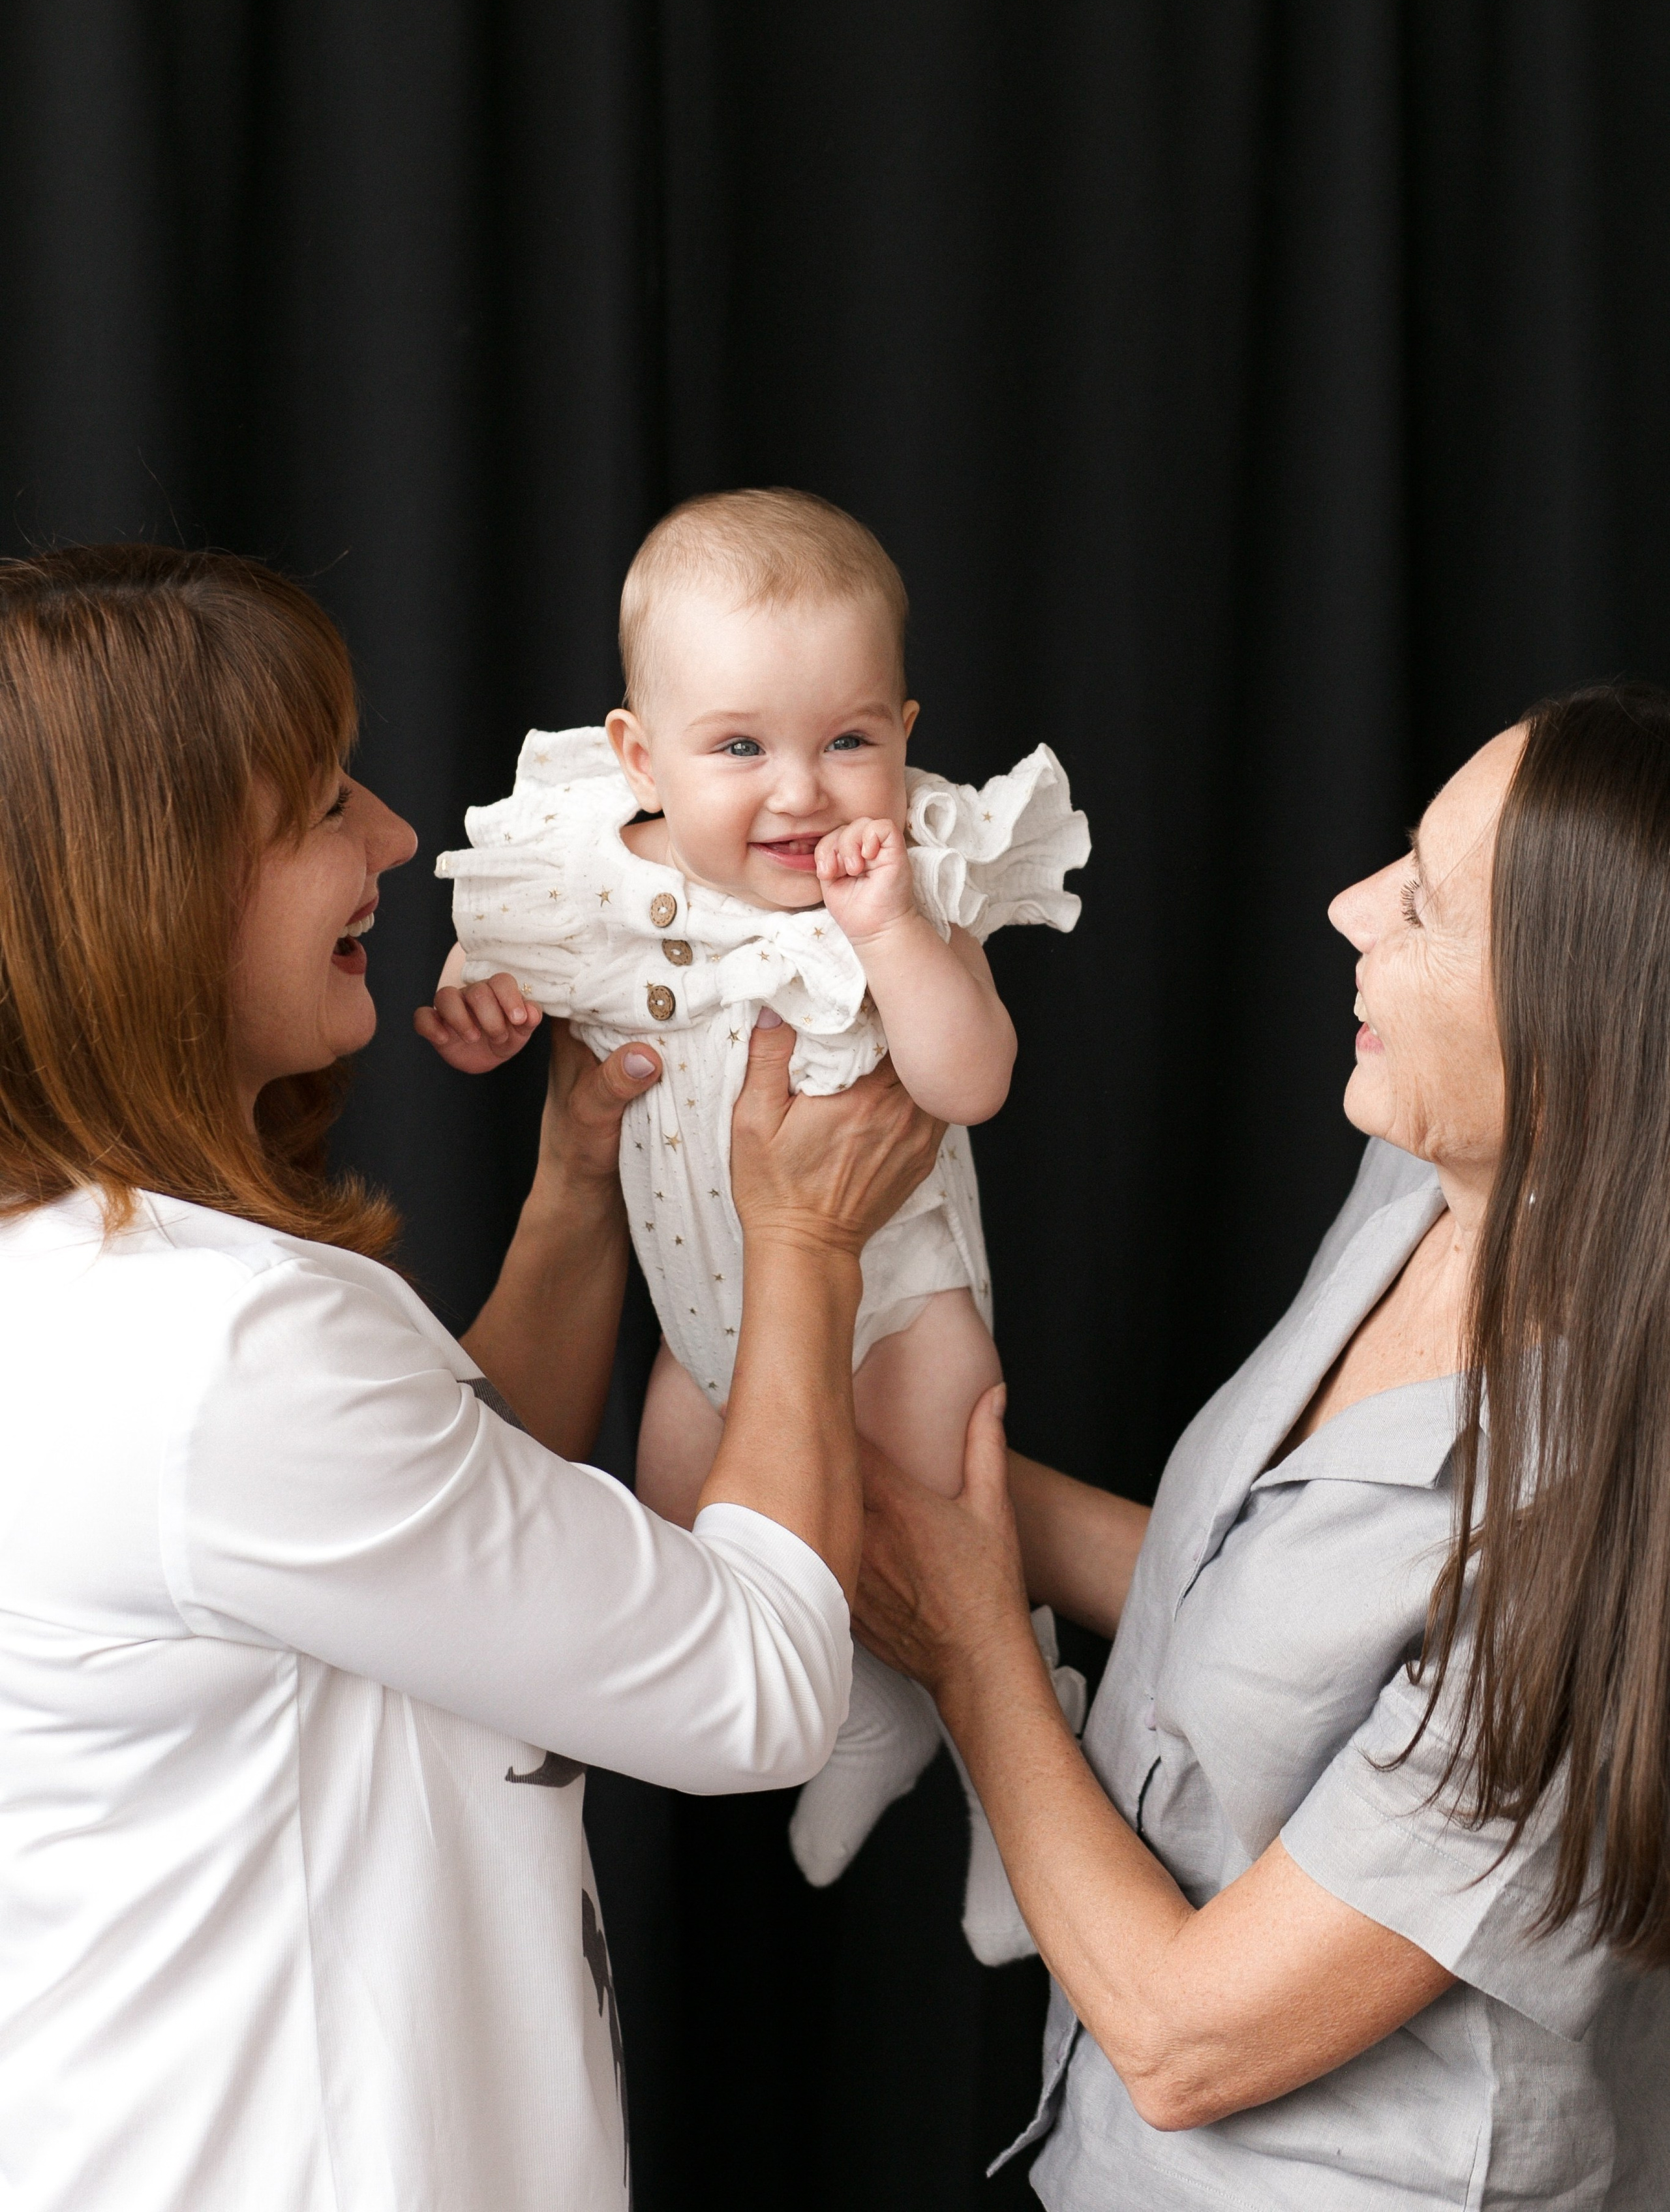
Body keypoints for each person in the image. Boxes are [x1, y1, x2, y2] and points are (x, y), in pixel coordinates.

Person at [0, 541, 941, 2212]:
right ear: (155, 889)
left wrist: (578, 1191)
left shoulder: (99, 1283)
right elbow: (759, 1692)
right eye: (323, 808)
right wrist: (800, 1246)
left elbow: (454, 1524)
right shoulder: (225, 1354)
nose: (395, 839)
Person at [855, 683, 1670, 2210]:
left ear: (1575, 1035)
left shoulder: (1608, 1530)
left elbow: (1185, 2039)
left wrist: (972, 1651)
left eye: (1422, 905)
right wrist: (894, 1476)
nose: (1347, 906)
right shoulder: (1419, 1172)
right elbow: (1241, 1607)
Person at [421, 487, 1091, 1958]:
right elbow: (504, 983)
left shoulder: (905, 872)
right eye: (740, 749)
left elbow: (967, 1080)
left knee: (956, 1553)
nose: (799, 794)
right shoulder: (589, 872)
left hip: (899, 1305)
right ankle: (862, 1720)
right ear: (636, 754)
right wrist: (486, 1018)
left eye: (847, 740)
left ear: (903, 734)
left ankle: (1014, 1770)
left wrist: (892, 936)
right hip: (707, 1323)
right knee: (684, 1538)